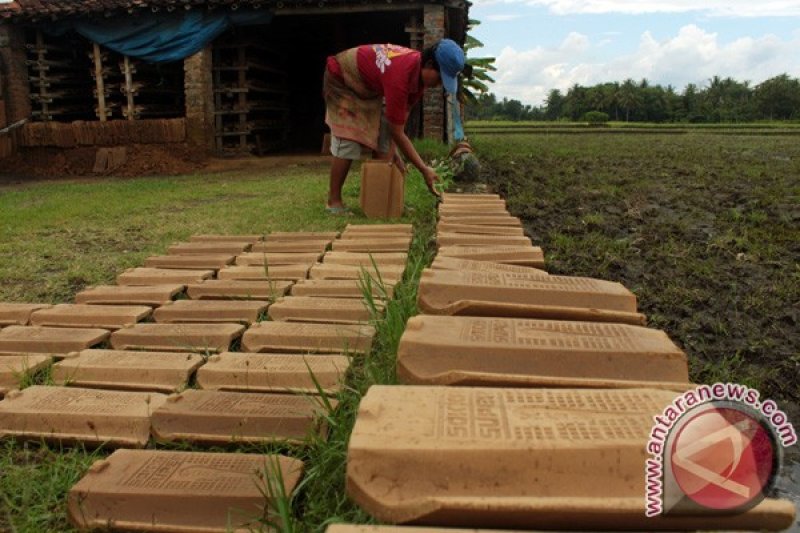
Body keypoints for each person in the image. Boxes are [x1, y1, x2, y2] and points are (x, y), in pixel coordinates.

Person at [323, 39, 466, 213]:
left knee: (385, 145)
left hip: (368, 86)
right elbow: (397, 132)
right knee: (348, 139)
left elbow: (397, 125)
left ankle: (382, 202)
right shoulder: (400, 75)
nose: (440, 84)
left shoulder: (418, 81)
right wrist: (424, 169)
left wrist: (394, 149)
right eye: (440, 77)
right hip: (343, 77)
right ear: (429, 64)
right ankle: (334, 201)